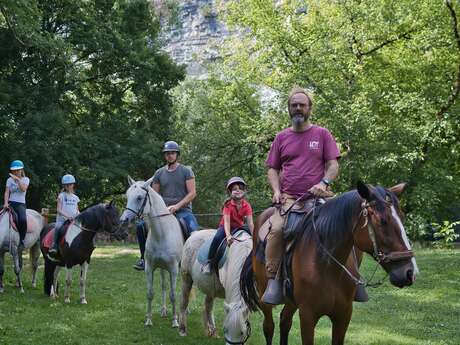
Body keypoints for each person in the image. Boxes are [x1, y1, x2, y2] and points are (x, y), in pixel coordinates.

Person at [261, 87, 341, 305]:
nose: (298, 108)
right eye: (294, 105)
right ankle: (273, 281)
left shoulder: (322, 134)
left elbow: (333, 164)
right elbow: (272, 169)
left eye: (302, 105)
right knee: (275, 230)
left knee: (346, 224)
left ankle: (354, 280)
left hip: (319, 198)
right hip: (289, 200)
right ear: (288, 108)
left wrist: (324, 182)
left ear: (309, 108)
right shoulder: (281, 137)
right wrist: (276, 191)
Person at [133, 140, 199, 270]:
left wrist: (177, 206)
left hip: (183, 210)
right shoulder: (159, 173)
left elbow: (192, 193)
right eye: (167, 153)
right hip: (162, 212)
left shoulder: (186, 171)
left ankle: (193, 262)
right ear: (165, 155)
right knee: (140, 226)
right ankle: (143, 258)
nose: (170, 155)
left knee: (194, 231)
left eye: (172, 153)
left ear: (177, 154)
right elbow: (153, 195)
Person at [202, 177, 254, 274]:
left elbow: (250, 223)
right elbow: (227, 222)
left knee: (253, 237)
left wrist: (254, 236)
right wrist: (228, 235)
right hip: (226, 226)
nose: (237, 191)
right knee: (217, 237)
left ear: (244, 191)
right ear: (230, 192)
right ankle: (208, 262)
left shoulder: (247, 205)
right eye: (234, 189)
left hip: (239, 226)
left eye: (240, 188)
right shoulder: (228, 205)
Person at [48, 174, 80, 258]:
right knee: (58, 227)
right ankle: (54, 245)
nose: (69, 186)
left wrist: (79, 215)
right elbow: (58, 209)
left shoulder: (75, 197)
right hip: (62, 220)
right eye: (67, 185)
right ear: (64, 186)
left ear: (73, 185)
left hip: (73, 220)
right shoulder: (61, 196)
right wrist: (67, 216)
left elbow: (77, 210)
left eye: (70, 184)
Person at [3, 160, 30, 251]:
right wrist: (6, 203)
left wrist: (18, 180)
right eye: (14, 171)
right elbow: (7, 192)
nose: (16, 172)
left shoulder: (26, 179)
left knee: (22, 219)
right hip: (10, 203)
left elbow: (23, 189)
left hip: (20, 204)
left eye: (18, 170)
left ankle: (22, 240)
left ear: (21, 170)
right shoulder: (9, 180)